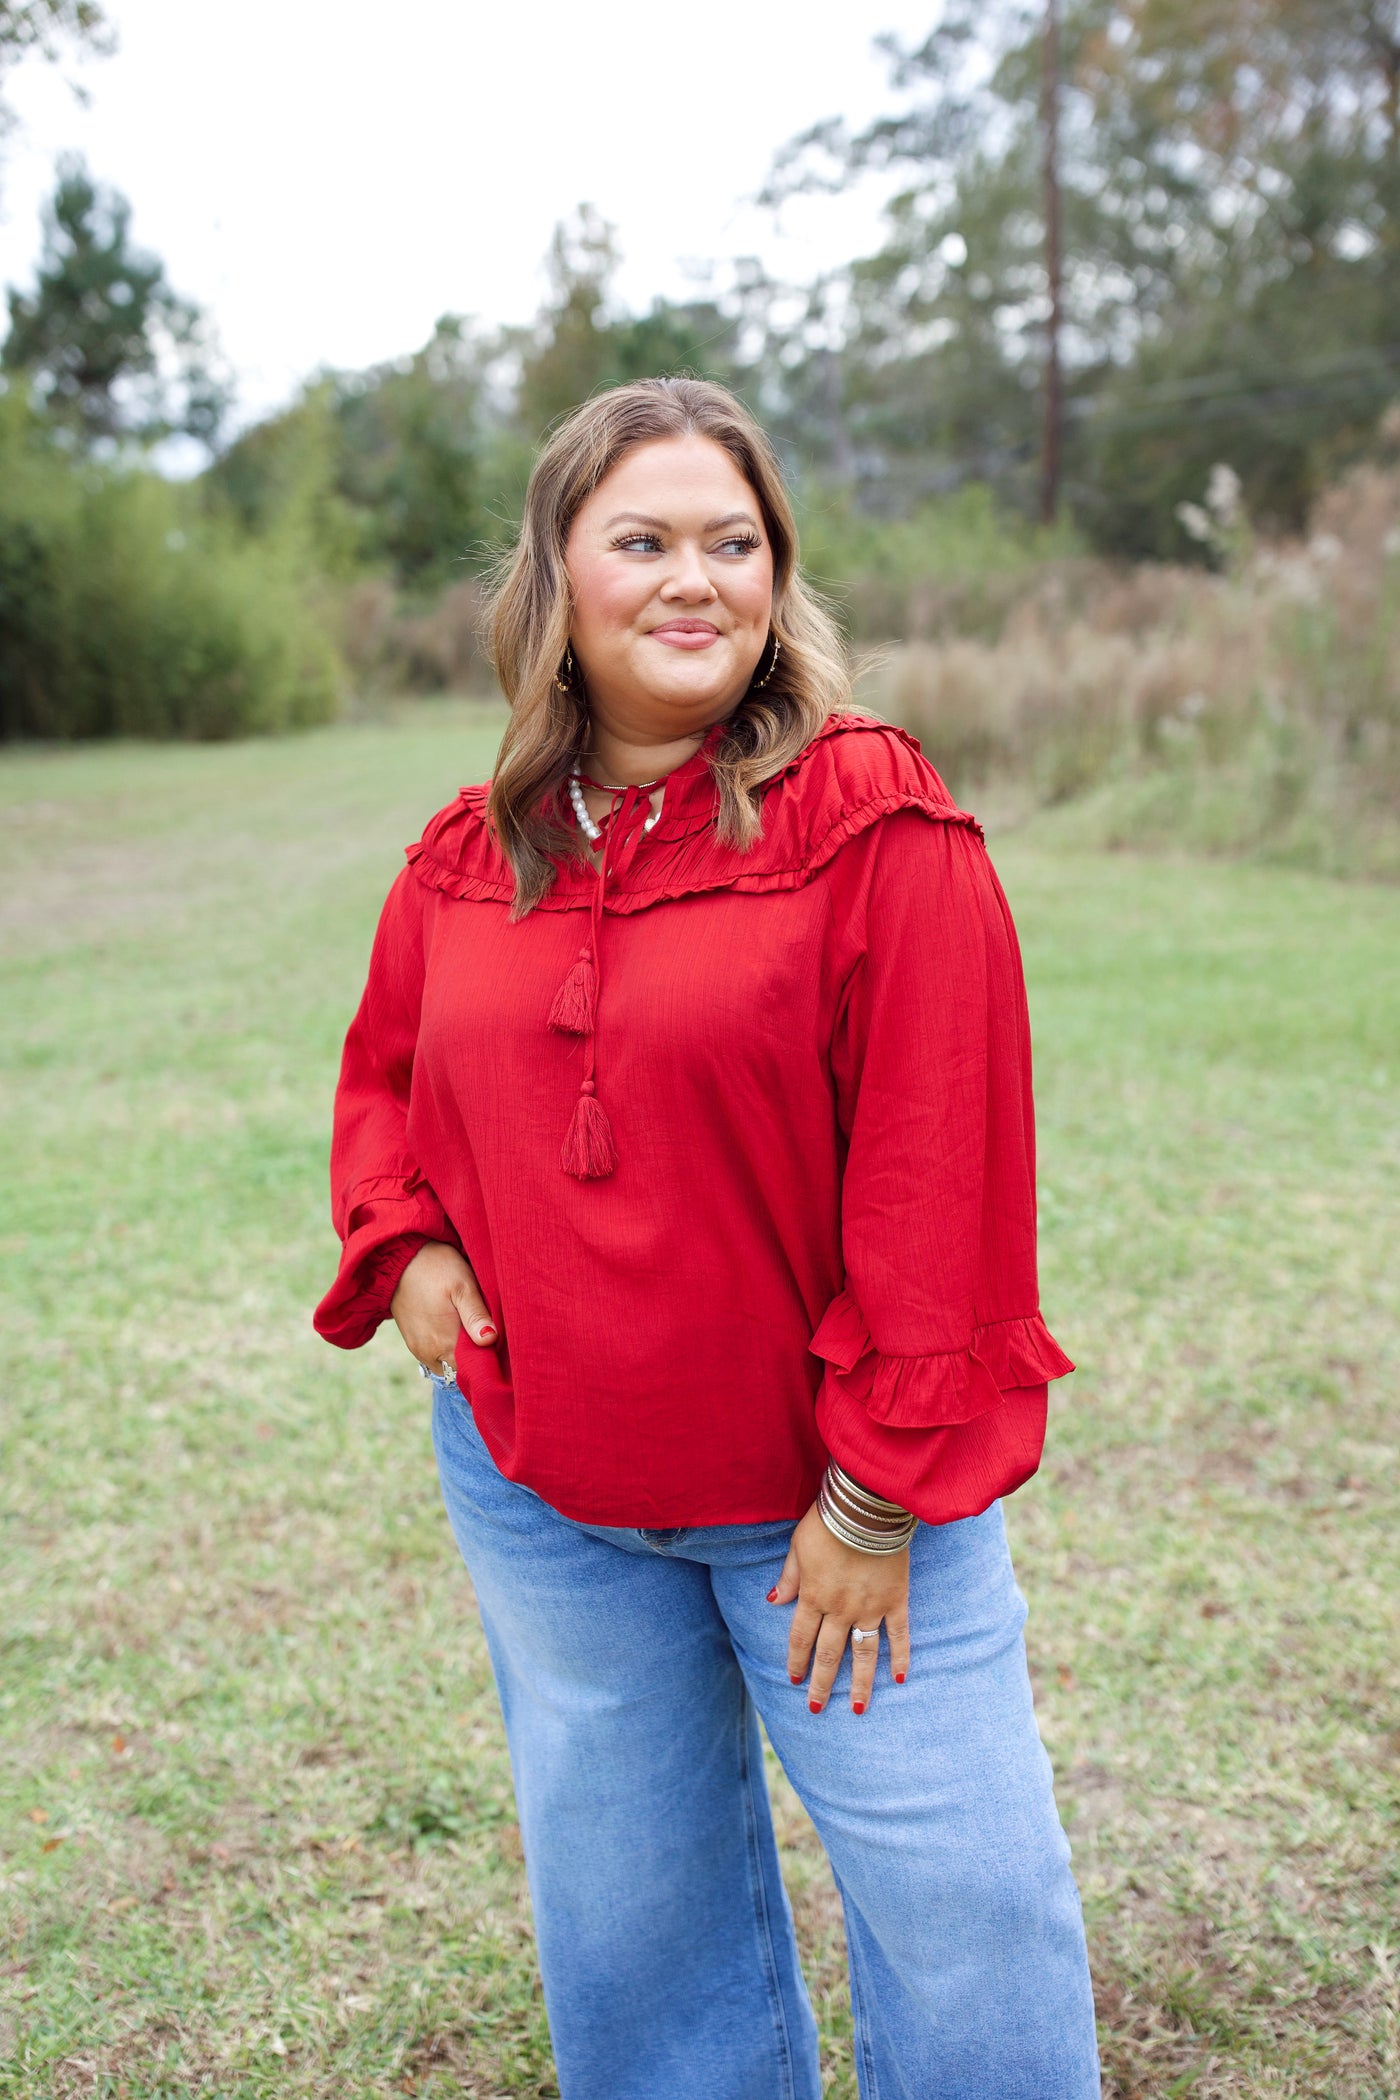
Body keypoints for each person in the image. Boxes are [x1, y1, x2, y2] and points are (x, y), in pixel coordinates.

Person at [314, 377, 1101, 2099]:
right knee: (635, 1925)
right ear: (555, 582)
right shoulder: (471, 853)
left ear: (777, 576)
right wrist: (410, 1250)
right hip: (546, 1499)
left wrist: (875, 1497)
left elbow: (940, 1176)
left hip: (829, 1508)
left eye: (733, 542)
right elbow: (386, 1079)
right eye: (645, 540)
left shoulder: (871, 819)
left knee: (964, 1913)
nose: (696, 580)